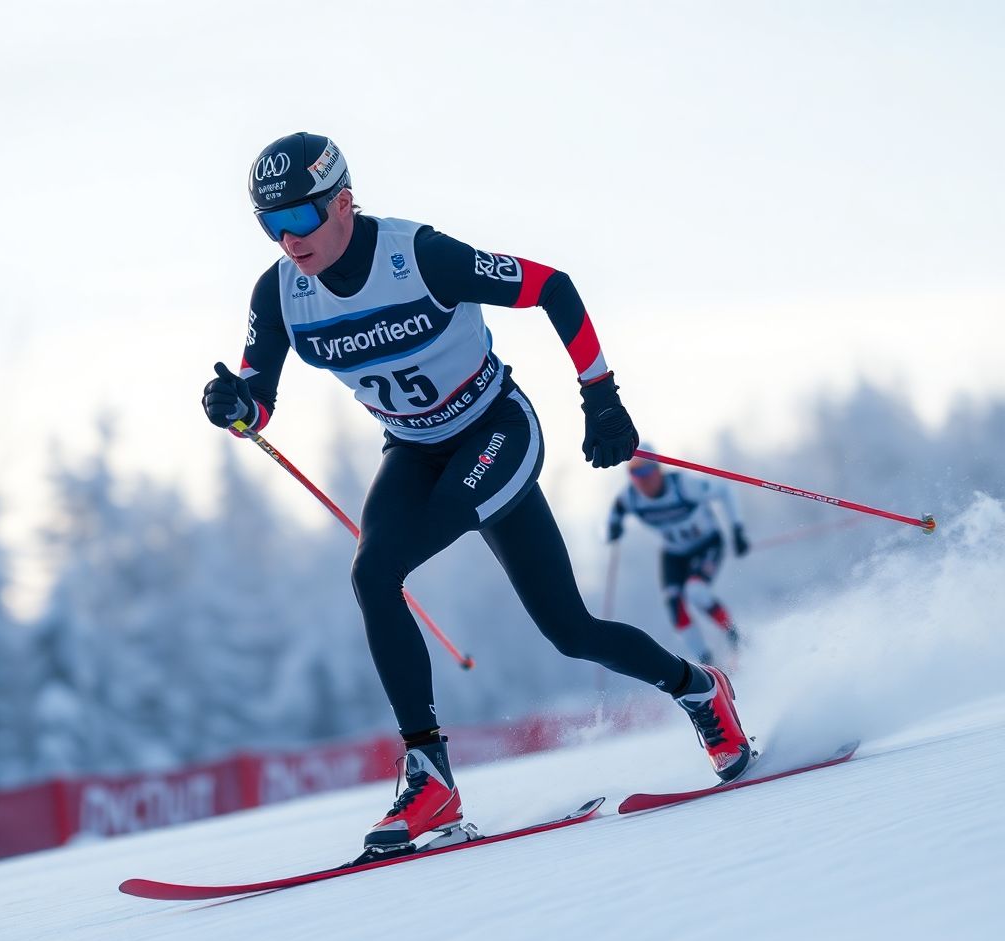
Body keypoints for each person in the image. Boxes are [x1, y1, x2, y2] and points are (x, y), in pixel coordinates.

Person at [201, 132, 753, 853]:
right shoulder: (279, 292)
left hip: (496, 429)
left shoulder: (420, 256)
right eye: (269, 225)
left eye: (300, 219)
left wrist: (602, 397)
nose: (287, 239)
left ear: (343, 203)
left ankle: (696, 696)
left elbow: (551, 285)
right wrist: (236, 406)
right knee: (527, 617)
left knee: (458, 548)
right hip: (413, 449)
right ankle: (437, 777)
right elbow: (259, 398)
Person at [608, 457, 751, 666]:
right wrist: (614, 527)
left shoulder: (683, 486)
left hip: (706, 545)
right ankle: (709, 665)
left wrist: (737, 529)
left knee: (696, 591)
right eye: (635, 473)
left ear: (658, 469)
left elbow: (725, 490)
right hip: (674, 554)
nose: (643, 479)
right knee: (675, 606)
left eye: (647, 471)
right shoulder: (631, 497)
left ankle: (736, 640)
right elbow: (616, 512)